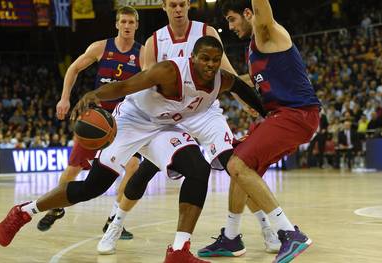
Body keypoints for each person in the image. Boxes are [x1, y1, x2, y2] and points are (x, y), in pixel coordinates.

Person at [0, 36, 266, 263]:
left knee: (198, 168)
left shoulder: (221, 79)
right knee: (92, 188)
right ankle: (24, 211)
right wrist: (94, 95)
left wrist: (268, 114)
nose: (210, 64)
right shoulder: (169, 71)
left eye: (215, 60)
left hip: (163, 128)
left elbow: (242, 87)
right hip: (131, 122)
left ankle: (179, 252)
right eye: (204, 58)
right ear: (192, 57)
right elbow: (125, 86)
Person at [98, 0, 281, 257]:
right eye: (173, 5)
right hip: (169, 115)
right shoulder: (154, 41)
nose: (178, 9)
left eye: (182, 4)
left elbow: (227, 73)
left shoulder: (207, 32)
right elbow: (147, 84)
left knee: (237, 165)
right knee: (145, 171)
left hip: (204, 111)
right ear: (165, 7)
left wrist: (245, 102)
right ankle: (115, 224)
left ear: (188, 6)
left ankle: (267, 228)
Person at [198, 1, 320, 263]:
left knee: (238, 164)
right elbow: (238, 81)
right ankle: (231, 237)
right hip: (280, 116)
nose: (230, 27)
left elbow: (262, 10)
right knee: (239, 167)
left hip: (296, 114)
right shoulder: (253, 50)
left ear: (248, 13)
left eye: (232, 20)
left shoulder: (266, 32)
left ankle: (288, 232)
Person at [34, 6, 143, 239]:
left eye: (130, 22)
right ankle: (55, 208)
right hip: (98, 120)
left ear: (136, 25)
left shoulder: (143, 54)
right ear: (116, 24)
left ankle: (114, 220)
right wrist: (64, 98)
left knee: (133, 167)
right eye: (123, 21)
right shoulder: (100, 47)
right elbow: (73, 69)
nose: (126, 26)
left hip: (127, 121)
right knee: (73, 169)